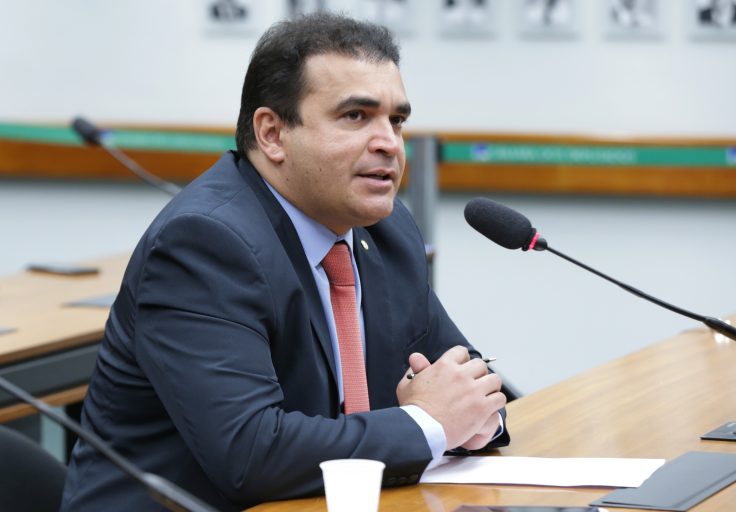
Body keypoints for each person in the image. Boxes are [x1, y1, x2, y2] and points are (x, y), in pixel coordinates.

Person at [60, 12, 509, 512]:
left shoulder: (385, 230)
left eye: (396, 120)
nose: (388, 143)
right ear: (272, 133)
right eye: (355, 116)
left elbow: (464, 378)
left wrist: (475, 417)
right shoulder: (204, 244)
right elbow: (251, 455)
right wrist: (430, 424)